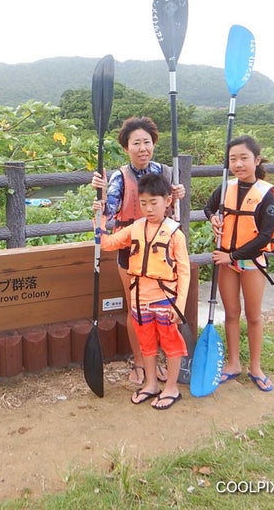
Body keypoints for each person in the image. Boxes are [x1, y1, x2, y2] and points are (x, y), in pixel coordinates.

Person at [90, 116, 185, 386]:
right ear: (126, 147)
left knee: (162, 306)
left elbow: (172, 207)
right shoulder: (120, 177)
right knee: (136, 308)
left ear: (153, 144)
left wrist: (178, 194)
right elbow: (108, 210)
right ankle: (141, 361)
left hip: (162, 249)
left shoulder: (165, 173)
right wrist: (99, 196)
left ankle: (160, 361)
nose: (142, 148)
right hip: (131, 246)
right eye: (136, 143)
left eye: (147, 142)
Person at [95, 173, 191, 409]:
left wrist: (180, 305)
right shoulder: (136, 228)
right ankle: (150, 384)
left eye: (154, 202)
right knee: (146, 343)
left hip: (166, 300)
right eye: (143, 203)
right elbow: (108, 244)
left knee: (171, 344)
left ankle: (171, 387)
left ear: (168, 201)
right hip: (139, 299)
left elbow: (185, 272)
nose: (148, 208)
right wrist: (98, 222)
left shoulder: (175, 234)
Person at [204, 135, 274, 392]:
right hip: (227, 262)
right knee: (232, 314)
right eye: (233, 159)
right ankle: (233, 363)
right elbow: (209, 207)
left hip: (250, 264)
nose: (238, 163)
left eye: (244, 158)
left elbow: (265, 236)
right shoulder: (226, 187)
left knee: (253, 316)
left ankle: (255, 367)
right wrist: (213, 217)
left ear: (256, 160)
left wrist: (233, 256)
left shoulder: (264, 194)